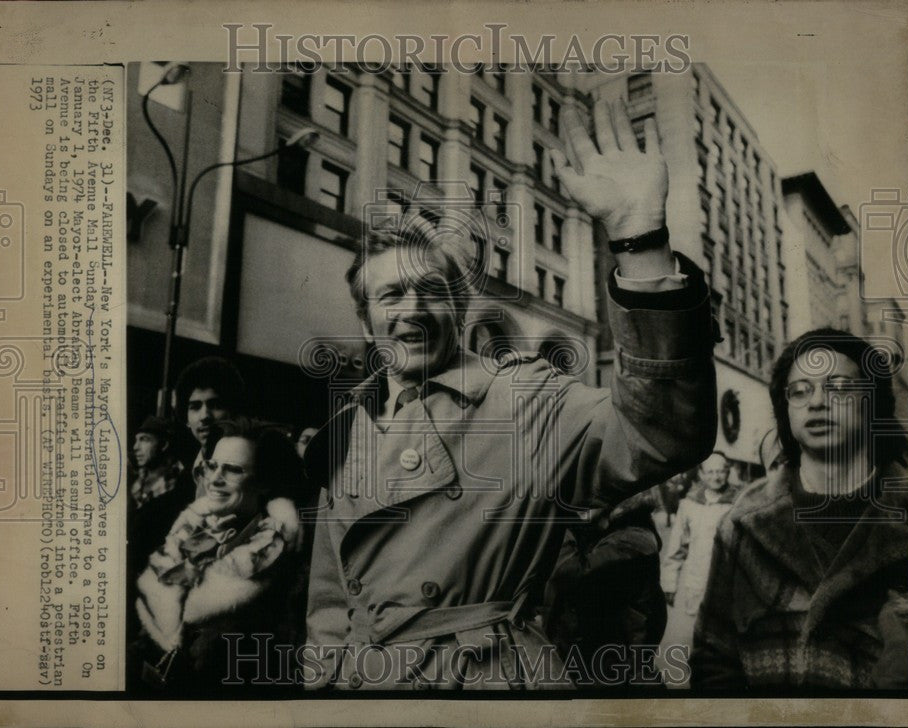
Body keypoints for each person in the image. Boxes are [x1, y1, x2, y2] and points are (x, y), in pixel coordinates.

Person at [302, 97, 719, 690]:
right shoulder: (347, 428)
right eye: (391, 296)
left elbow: (660, 430)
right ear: (367, 322)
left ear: (461, 307)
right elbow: (329, 601)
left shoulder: (523, 399)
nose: (413, 311)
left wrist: (638, 239)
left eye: (432, 292)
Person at [691, 328, 908, 689]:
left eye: (839, 387)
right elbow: (712, 660)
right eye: (800, 390)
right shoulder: (743, 526)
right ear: (786, 409)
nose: (816, 402)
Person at [132, 417, 306, 692]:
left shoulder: (276, 560)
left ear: (263, 483)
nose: (214, 479)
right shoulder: (191, 531)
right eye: (212, 466)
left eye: (233, 470)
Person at [542, 491, 667, 687]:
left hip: (613, 674)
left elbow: (571, 573)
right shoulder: (606, 530)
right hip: (598, 667)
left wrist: (558, 524)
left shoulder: (634, 540)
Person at [658, 451, 737, 682]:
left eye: (721, 470)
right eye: (711, 471)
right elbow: (676, 547)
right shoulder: (689, 505)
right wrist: (669, 583)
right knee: (696, 638)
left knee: (726, 641)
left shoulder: (738, 503)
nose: (716, 476)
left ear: (728, 472)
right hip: (696, 582)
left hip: (728, 584)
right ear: (701, 474)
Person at [174, 356, 247, 497]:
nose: (205, 416)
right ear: (186, 419)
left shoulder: (248, 473)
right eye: (195, 407)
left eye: (215, 405)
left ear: (233, 411)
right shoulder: (184, 479)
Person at [127, 416, 188, 579]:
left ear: (164, 445)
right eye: (135, 440)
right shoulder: (137, 480)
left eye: (144, 440)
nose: (135, 447)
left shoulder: (180, 485)